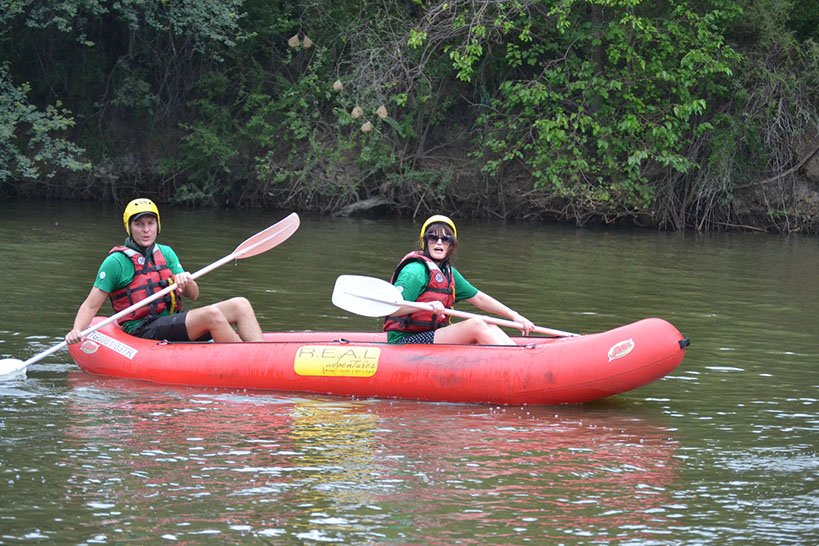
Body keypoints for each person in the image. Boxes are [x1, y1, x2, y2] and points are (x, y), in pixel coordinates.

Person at [66, 198, 263, 345]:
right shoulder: (116, 262)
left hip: (170, 320)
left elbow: (193, 295)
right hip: (142, 328)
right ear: (129, 228)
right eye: (139, 224)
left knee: (241, 304)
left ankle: (261, 356)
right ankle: (248, 363)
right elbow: (91, 305)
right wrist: (76, 330)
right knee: (211, 314)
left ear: (157, 226)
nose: (146, 230)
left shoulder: (166, 253)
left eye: (150, 223)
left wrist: (186, 282)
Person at [384, 214, 535, 345]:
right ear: (425, 241)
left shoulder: (448, 273)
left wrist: (514, 316)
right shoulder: (414, 271)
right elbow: (393, 308)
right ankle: (516, 363)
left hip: (432, 334)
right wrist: (425, 306)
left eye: (446, 239)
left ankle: (520, 358)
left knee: (488, 323)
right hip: (404, 340)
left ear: (451, 245)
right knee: (476, 324)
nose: (439, 242)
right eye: (433, 238)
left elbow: (480, 299)